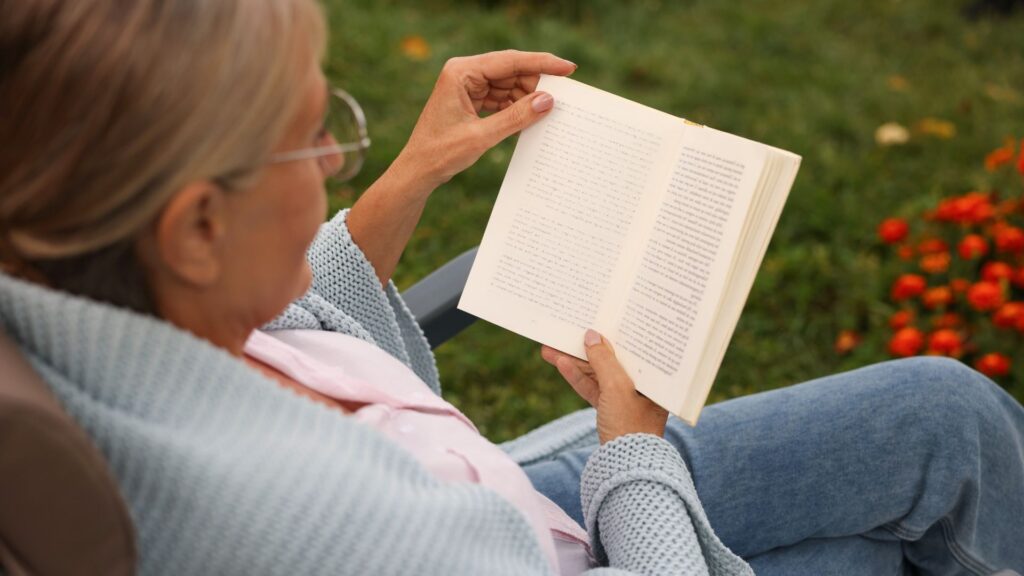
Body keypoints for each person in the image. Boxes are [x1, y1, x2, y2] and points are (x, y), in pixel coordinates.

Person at [0, 1, 1021, 575]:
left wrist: (412, 176)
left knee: (936, 416)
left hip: (491, 497)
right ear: (196, 228)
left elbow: (272, 322)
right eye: (315, 140)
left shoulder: (88, 295)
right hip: (545, 533)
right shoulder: (349, 542)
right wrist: (630, 454)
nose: (336, 162)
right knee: (925, 456)